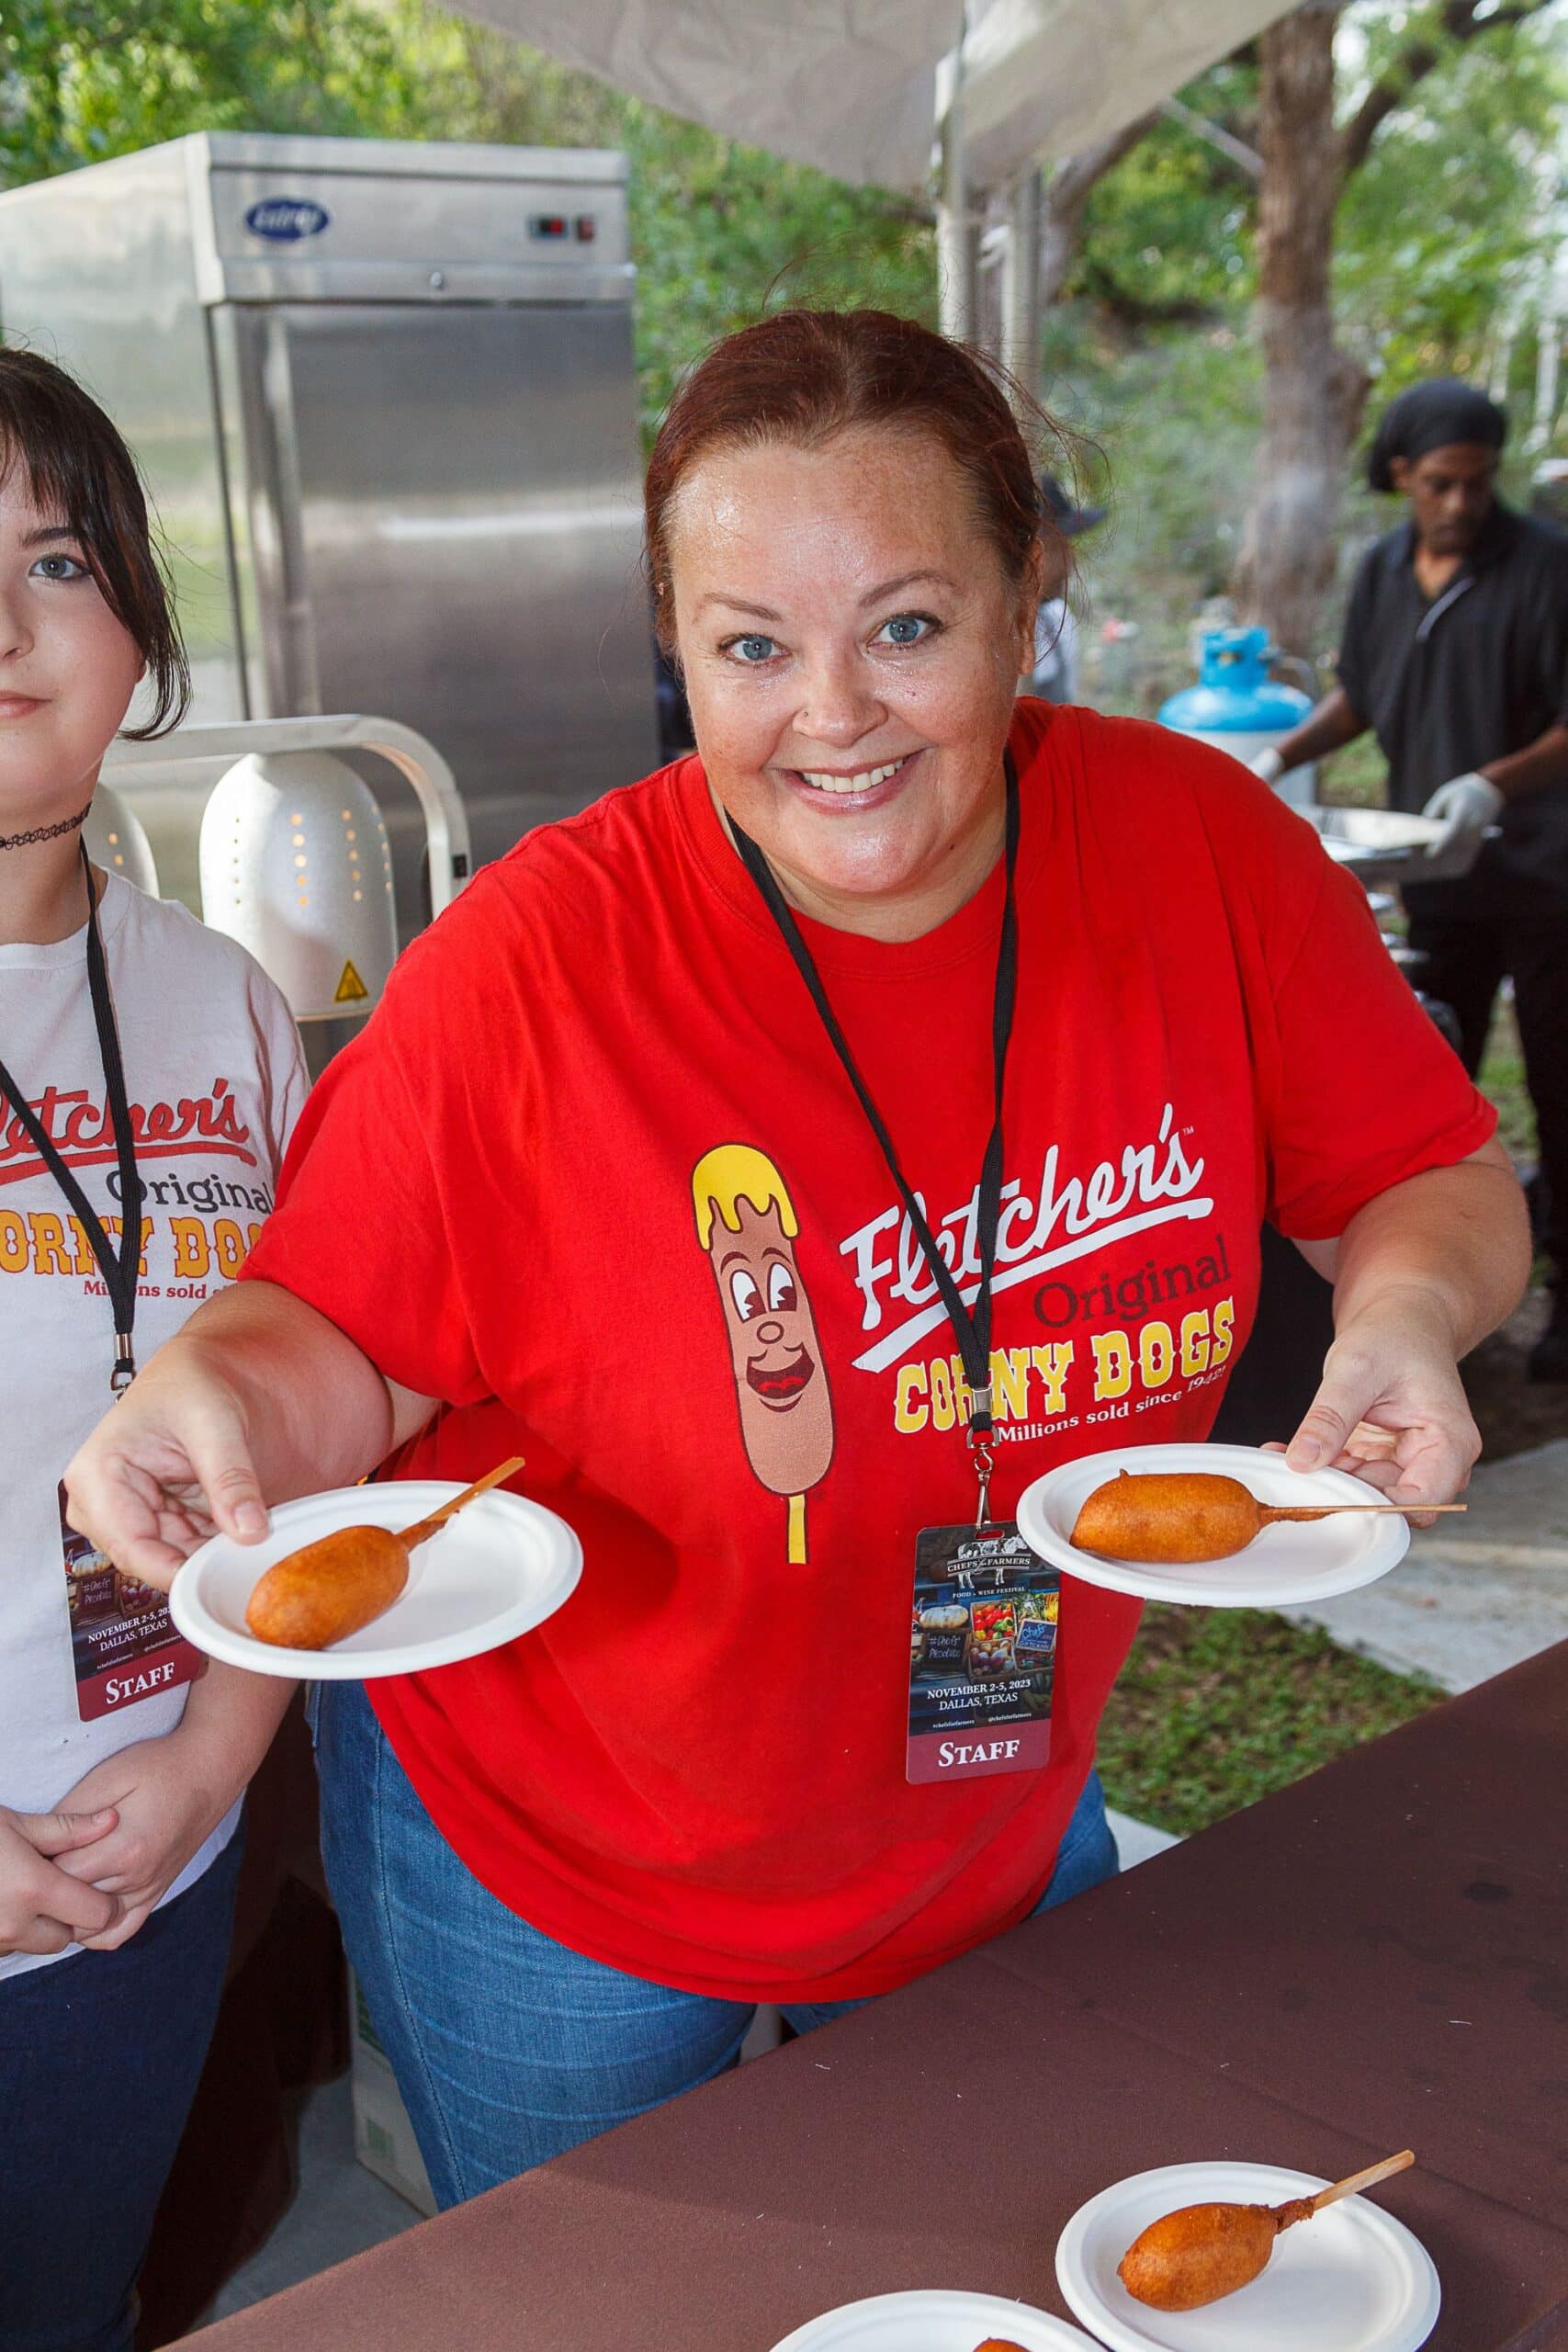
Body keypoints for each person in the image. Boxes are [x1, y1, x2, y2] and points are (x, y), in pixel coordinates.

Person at [67, 311, 1529, 2213]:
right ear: (677, 643)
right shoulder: (540, 959)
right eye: (751, 644)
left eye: (906, 625)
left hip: (986, 1804)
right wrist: (208, 1397)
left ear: (1026, 600)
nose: (830, 714)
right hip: (565, 1860)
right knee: (603, 2310)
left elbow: (1426, 1169)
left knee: (975, 2264)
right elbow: (331, 1333)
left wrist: (1404, 1313)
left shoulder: (1197, 854)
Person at [0, 350, 306, 2352]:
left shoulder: (222, 1005)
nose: (2, 628)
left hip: (139, 1866)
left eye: (54, 557)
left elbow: (316, 1442)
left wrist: (214, 1754)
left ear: (139, 623)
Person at [1253, 379, 1568, 1381]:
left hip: (1542, 873)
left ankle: (1565, 1308)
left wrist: (1491, 782)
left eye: (1478, 485)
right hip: (1436, 876)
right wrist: (1274, 759)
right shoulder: (1386, 569)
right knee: (1433, 1102)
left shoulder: (1547, 567)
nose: (1462, 504)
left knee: (1560, 1090)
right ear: (1400, 476)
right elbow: (1367, 692)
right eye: (1441, 484)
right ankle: (1437, 1315)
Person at [1027, 472, 1105, 704]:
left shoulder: (1058, 617)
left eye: (1067, 548)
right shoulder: (1002, 632)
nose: (1068, 564)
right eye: (1056, 548)